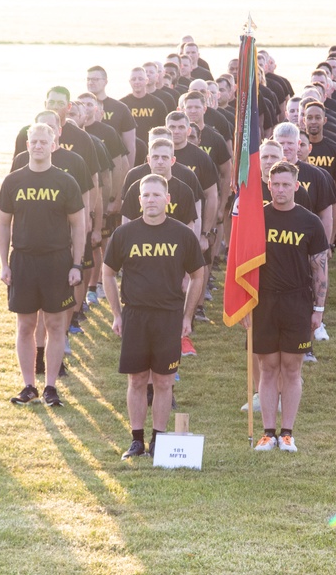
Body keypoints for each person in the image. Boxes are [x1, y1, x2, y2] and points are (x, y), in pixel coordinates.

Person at [102, 175, 206, 459]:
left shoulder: (182, 235)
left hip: (169, 316)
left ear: (167, 199)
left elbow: (198, 275)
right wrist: (117, 313)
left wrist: (187, 315)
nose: (151, 200)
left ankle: (158, 440)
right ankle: (136, 440)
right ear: (139, 201)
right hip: (135, 315)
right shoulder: (125, 234)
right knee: (136, 380)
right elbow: (108, 272)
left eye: (156, 195)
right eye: (146, 195)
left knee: (163, 381)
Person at [0, 123, 85, 407]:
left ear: (54, 145)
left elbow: (78, 226)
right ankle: (28, 385)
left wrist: (76, 264)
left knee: (56, 324)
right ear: (27, 145)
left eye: (43, 142)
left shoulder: (65, 182)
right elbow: (3, 223)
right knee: (25, 325)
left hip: (57, 261)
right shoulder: (13, 181)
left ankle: (50, 386)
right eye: (33, 141)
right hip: (22, 261)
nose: (38, 146)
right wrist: (3, 264)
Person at [248, 161, 329, 453]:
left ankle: (287, 433)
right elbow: (243, 262)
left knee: (292, 369)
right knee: (267, 367)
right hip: (264, 301)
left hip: (297, 301)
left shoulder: (310, 222)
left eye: (286, 184)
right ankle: (268, 432)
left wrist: (318, 309)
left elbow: (320, 268)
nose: (280, 189)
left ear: (296, 186)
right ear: (268, 185)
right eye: (275, 184)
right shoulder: (257, 218)